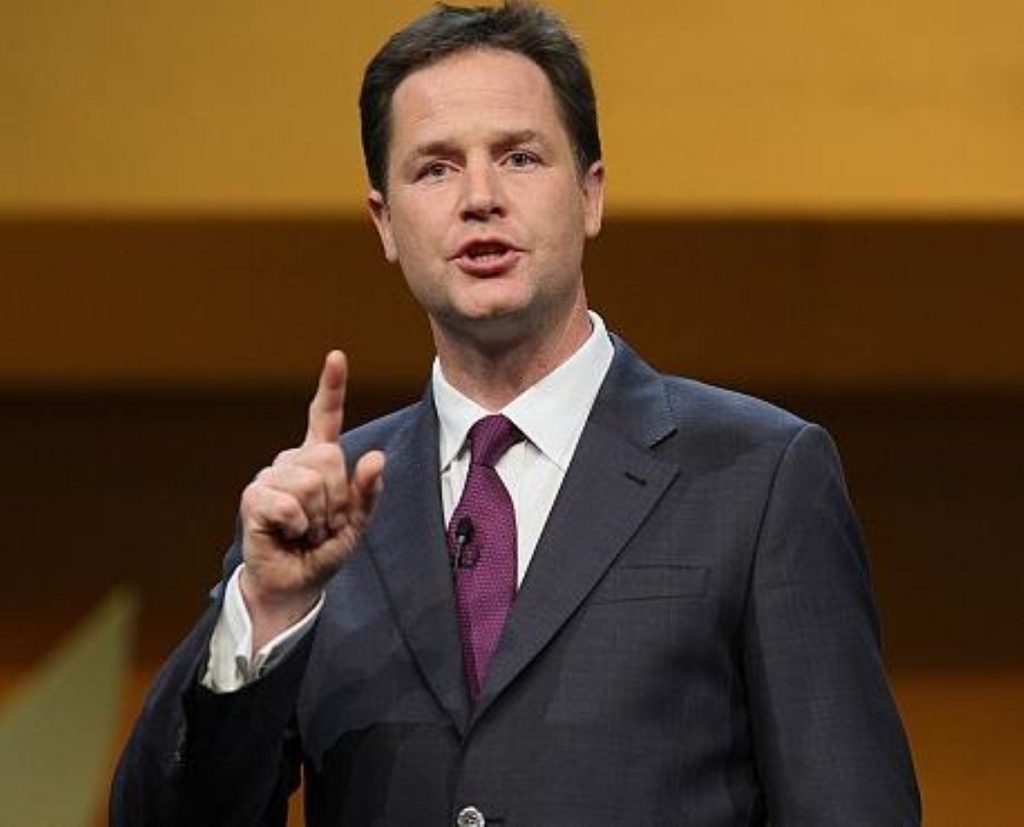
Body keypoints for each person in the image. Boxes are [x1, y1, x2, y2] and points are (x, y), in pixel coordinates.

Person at [111, 3, 920, 825]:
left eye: (520, 157)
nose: (480, 198)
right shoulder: (324, 512)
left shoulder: (758, 475)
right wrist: (267, 609)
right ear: (385, 224)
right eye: (434, 169)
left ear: (590, 194)